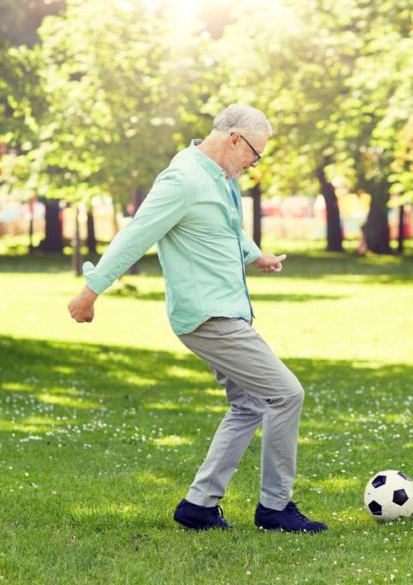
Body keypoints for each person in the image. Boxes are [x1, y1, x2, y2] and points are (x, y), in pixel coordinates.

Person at [68, 104, 327, 534]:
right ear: (233, 140)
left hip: (227, 311)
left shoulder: (218, 179)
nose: (253, 164)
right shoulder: (183, 179)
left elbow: (225, 228)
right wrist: (89, 292)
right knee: (286, 394)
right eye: (254, 154)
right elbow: (136, 235)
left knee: (247, 404)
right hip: (210, 316)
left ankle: (198, 506)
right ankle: (275, 508)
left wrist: (255, 255)